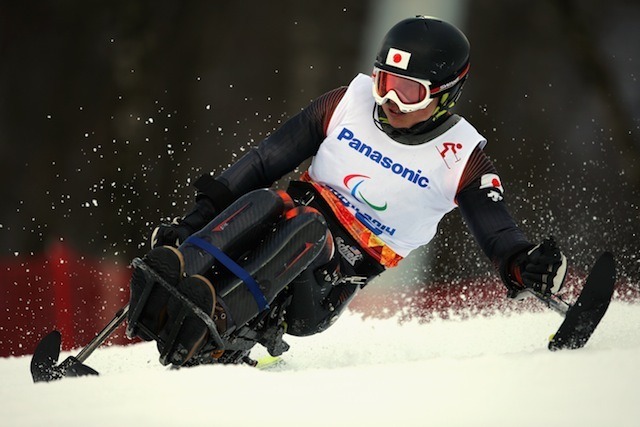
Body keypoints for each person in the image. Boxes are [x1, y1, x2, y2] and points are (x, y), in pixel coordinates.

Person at [126, 16, 568, 367]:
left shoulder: (464, 159)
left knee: (309, 226)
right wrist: (192, 222)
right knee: (266, 199)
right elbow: (264, 162)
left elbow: (498, 235)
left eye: (408, 92)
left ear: (446, 95)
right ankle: (175, 277)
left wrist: (522, 264)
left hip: (322, 288)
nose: (391, 102)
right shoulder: (346, 102)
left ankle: (216, 324)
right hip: (273, 229)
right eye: (385, 83)